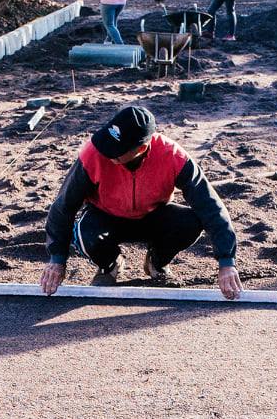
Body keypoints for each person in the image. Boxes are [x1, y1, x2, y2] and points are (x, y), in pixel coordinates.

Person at [40, 105, 243, 300]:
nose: (107, 153)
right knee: (85, 233)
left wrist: (226, 262)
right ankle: (109, 265)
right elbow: (63, 207)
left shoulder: (173, 156)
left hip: (153, 215)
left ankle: (157, 262)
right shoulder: (93, 154)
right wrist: (57, 260)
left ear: (142, 148)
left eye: (116, 151)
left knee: (191, 222)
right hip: (106, 217)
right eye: (107, 144)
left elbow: (210, 205)